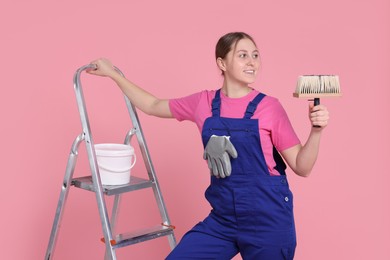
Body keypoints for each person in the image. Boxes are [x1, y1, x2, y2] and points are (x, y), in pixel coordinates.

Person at [88, 32, 329, 260]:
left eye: (255, 55)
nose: (252, 62)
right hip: (223, 219)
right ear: (222, 63)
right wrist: (114, 74)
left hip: (267, 219)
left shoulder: (270, 107)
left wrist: (316, 131)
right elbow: (152, 105)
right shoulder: (203, 103)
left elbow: (302, 166)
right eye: (242, 55)